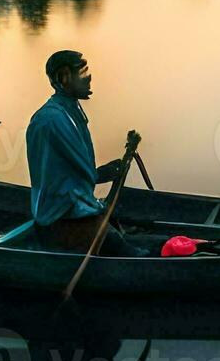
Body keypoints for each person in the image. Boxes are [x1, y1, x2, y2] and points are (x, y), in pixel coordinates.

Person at [27, 50, 144, 256]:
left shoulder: (68, 110)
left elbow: (77, 170)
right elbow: (79, 174)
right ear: (64, 77)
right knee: (132, 253)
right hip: (63, 214)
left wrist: (103, 172)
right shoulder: (52, 120)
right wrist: (101, 174)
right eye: (82, 72)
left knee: (122, 239)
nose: (89, 77)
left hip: (73, 206)